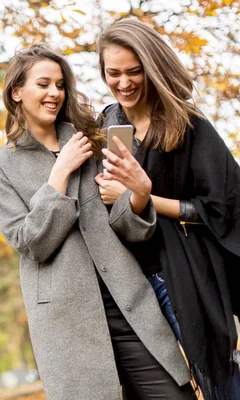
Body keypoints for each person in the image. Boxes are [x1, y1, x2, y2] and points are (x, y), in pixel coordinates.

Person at [0, 43, 195, 399]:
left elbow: (129, 228)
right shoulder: (1, 169)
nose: (54, 93)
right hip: (69, 325)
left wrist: (139, 195)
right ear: (17, 91)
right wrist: (60, 172)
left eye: (60, 85)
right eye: (43, 84)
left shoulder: (94, 144)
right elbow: (32, 244)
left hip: (131, 307)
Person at [96, 18, 240, 400]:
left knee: (217, 374)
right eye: (113, 73)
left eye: (134, 72)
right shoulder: (108, 123)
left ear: (151, 67)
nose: (123, 83)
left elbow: (222, 207)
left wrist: (142, 196)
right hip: (130, 281)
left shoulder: (187, 125)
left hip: (182, 272)